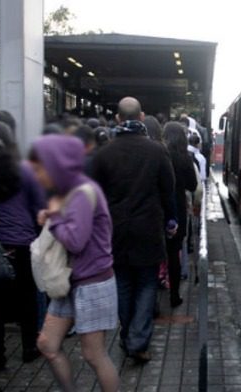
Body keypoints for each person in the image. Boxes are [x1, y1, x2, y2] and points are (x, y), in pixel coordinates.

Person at [89, 97, 175, 362]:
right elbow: (168, 191)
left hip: (115, 232)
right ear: (141, 117)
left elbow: (95, 195)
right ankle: (138, 340)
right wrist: (170, 220)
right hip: (148, 229)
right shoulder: (157, 151)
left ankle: (128, 336)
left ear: (117, 119)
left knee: (123, 285)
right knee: (147, 285)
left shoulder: (103, 153)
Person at [30, 135, 119, 391]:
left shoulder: (81, 193)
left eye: (39, 169)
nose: (37, 175)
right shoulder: (70, 191)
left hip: (91, 282)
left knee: (94, 355)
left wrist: (55, 217)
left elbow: (76, 242)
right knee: (47, 344)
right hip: (69, 280)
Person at [0, 121, 47, 370]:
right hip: (22, 243)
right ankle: (28, 347)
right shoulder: (25, 169)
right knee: (27, 297)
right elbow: (39, 207)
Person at [163, 122, 198, 308]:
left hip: (159, 209)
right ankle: (174, 295)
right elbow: (192, 185)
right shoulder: (186, 159)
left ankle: (153, 299)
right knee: (173, 254)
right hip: (177, 210)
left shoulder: (160, 155)